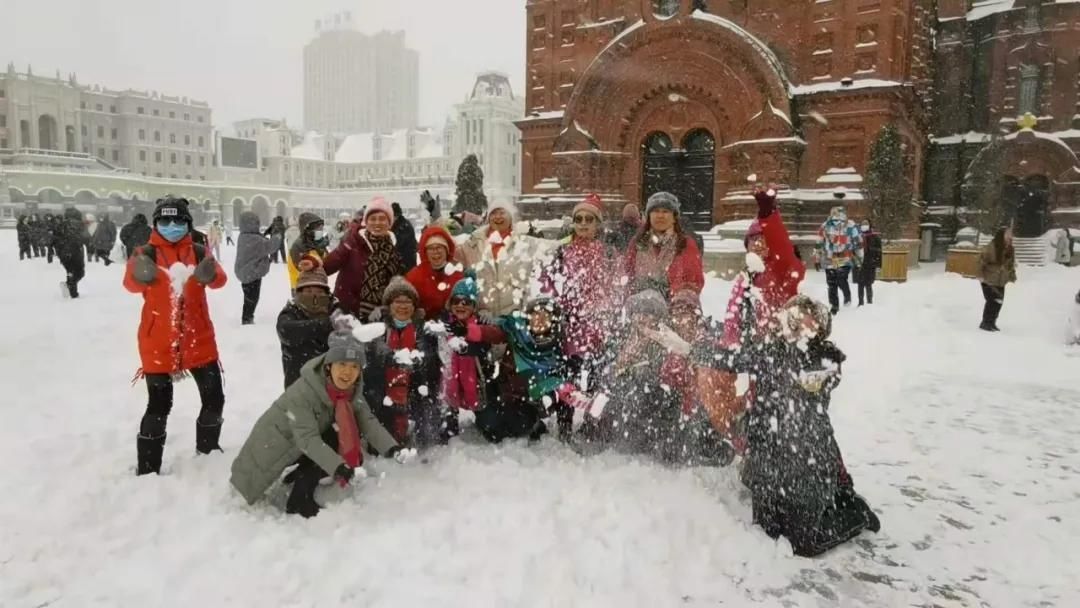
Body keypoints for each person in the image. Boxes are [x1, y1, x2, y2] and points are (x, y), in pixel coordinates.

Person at [692, 294, 879, 557]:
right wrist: (689, 349)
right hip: (769, 463)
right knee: (768, 529)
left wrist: (806, 379)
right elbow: (729, 358)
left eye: (805, 322)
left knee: (803, 544)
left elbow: (816, 379)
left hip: (806, 464)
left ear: (817, 330)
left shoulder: (825, 359)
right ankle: (833, 498)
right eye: (792, 319)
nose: (796, 325)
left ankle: (856, 514)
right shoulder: (769, 352)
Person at [230, 331, 407, 518]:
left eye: (354, 366)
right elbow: (308, 440)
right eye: (342, 364)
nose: (348, 372)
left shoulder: (349, 390)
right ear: (329, 366)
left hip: (297, 442)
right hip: (272, 446)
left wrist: (392, 448)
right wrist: (338, 467)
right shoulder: (304, 392)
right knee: (325, 444)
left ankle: (300, 479)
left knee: (332, 436)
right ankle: (298, 502)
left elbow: (367, 420)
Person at [123, 197, 228, 476]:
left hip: (199, 341)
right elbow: (129, 285)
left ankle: (208, 452)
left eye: (178, 221)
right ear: (156, 224)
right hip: (158, 343)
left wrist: (210, 274)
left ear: (187, 224)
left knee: (214, 398)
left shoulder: (197, 249)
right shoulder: (145, 251)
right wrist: (138, 274)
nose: (172, 226)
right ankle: (148, 467)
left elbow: (220, 280)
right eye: (165, 221)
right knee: (159, 406)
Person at [539, 193, 619, 409]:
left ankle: (592, 423)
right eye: (579, 219)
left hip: (597, 325)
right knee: (568, 377)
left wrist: (605, 313)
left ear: (598, 224)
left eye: (589, 219)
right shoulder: (562, 251)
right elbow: (547, 284)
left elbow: (616, 288)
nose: (583, 224)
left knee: (596, 376)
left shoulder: (609, 254)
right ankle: (565, 423)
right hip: (569, 325)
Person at [363, 278, 442, 448]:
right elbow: (377, 349)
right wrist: (396, 358)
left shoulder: (422, 326)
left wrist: (415, 360)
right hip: (384, 388)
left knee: (428, 438)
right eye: (398, 301)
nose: (403, 306)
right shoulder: (378, 326)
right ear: (389, 305)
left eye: (408, 301)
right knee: (383, 444)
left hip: (414, 385)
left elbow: (426, 352)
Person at [457, 201, 551, 318]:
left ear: (511, 217)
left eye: (502, 212)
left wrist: (574, 237)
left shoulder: (525, 243)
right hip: (482, 317)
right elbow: (448, 250)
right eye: (493, 213)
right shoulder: (473, 243)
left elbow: (553, 246)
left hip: (515, 317)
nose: (498, 217)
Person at [322, 197, 405, 321]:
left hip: (379, 317)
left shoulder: (394, 251)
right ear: (366, 222)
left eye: (382, 219)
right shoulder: (352, 242)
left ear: (389, 223)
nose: (377, 223)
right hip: (348, 314)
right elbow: (327, 265)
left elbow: (396, 285)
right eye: (373, 219)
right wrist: (312, 262)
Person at [623, 191, 705, 299]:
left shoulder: (685, 244)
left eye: (665, 211)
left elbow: (693, 281)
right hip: (641, 307)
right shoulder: (638, 242)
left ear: (674, 217)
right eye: (656, 211)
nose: (660, 216)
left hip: (676, 306)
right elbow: (628, 274)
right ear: (649, 216)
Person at [277, 268, 339, 389]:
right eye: (308, 291)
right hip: (298, 386)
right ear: (299, 292)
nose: (314, 295)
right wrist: (322, 326)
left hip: (332, 387)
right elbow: (286, 331)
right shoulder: (291, 312)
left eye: (319, 291)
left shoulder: (336, 310)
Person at [405, 224, 465, 320]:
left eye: (439, 247)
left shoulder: (458, 275)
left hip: (453, 326)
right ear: (425, 252)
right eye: (431, 248)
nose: (435, 252)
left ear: (446, 250)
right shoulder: (413, 276)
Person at [234, 211, 283, 325]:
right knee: (252, 298)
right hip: (252, 273)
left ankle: (247, 317)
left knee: (248, 297)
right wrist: (277, 236)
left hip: (244, 272)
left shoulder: (243, 237)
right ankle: (247, 319)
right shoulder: (256, 239)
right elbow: (271, 247)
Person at [818, 207, 861, 315]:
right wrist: (817, 257)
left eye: (840, 216)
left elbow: (858, 243)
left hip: (845, 258)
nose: (837, 219)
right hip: (830, 258)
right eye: (835, 215)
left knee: (841, 279)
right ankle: (834, 306)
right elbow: (819, 242)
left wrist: (860, 258)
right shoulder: (825, 226)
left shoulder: (851, 226)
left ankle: (847, 296)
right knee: (832, 284)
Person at [976, 227, 1016, 332]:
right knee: (992, 301)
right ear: (1001, 235)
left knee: (999, 302)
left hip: (1001, 280)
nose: (1010, 236)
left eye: (1011, 234)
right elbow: (980, 262)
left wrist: (1012, 276)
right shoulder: (991, 247)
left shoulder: (1010, 248)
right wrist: (980, 276)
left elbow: (1010, 265)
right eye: (1008, 234)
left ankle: (992, 322)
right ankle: (986, 323)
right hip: (988, 279)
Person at [287, 212, 329, 290]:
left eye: (321, 229)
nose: (321, 231)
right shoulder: (299, 246)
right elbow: (305, 268)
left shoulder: (315, 243)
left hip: (318, 287)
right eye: (318, 229)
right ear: (308, 229)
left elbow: (327, 264)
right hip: (303, 289)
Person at [54, 208, 90, 299]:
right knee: (80, 272)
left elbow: (54, 239)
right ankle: (71, 288)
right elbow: (86, 238)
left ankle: (71, 289)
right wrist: (91, 249)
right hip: (76, 251)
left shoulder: (60, 225)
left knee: (70, 271)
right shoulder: (80, 224)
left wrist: (58, 251)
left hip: (64, 252)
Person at [856, 219, 883, 306]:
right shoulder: (858, 237)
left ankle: (869, 302)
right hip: (860, 264)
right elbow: (853, 250)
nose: (864, 225)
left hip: (871, 263)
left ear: (870, 225)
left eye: (866, 224)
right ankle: (860, 303)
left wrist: (878, 264)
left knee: (868, 284)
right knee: (860, 284)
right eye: (863, 224)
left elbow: (879, 251)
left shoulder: (875, 237)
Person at [391, 202, 419, 272]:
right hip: (402, 261)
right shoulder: (398, 224)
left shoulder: (404, 226)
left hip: (407, 261)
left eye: (392, 216)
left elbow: (397, 244)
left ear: (396, 215)